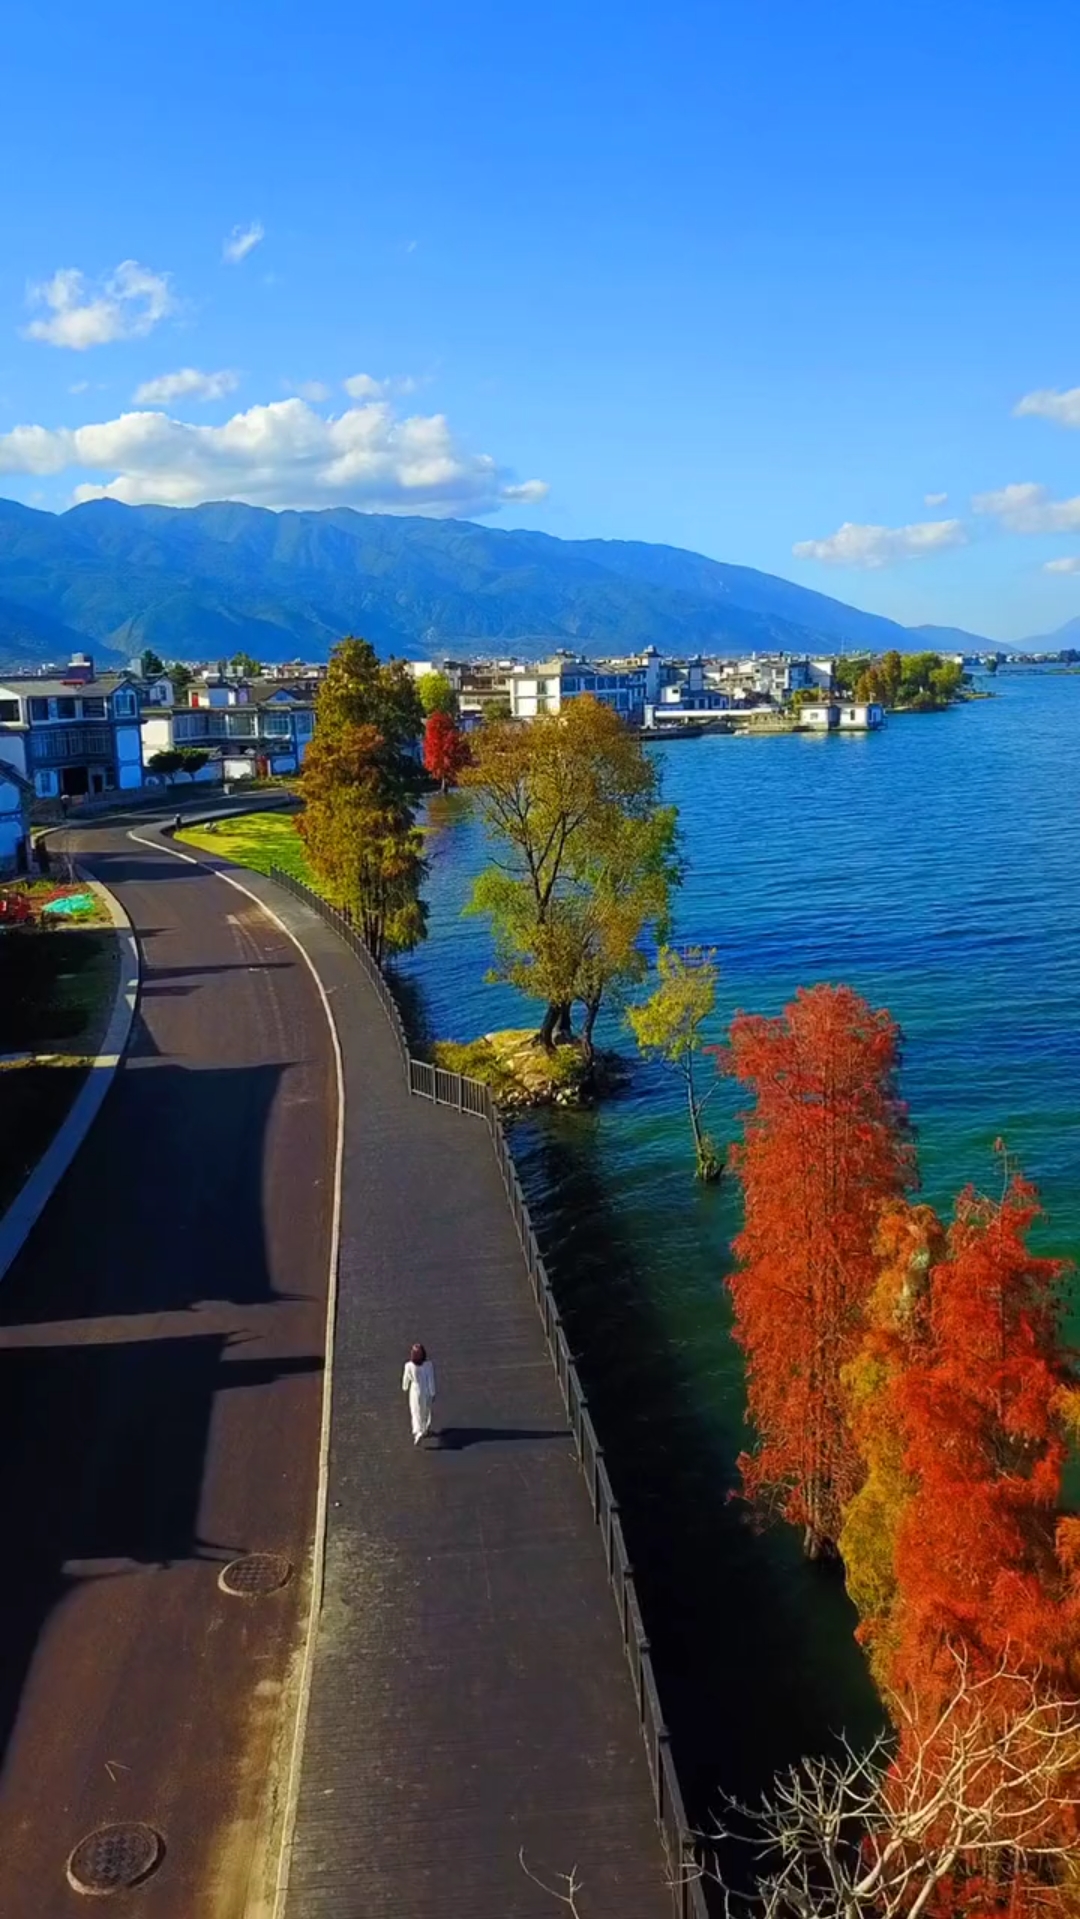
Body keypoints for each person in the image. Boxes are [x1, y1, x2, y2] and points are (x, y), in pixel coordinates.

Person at [402, 1343, 436, 1446]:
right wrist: (433, 1392)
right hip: (426, 1390)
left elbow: (406, 1380)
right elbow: (431, 1380)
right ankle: (425, 1429)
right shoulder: (428, 1365)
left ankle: (418, 1432)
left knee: (415, 1412)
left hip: (415, 1390)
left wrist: (405, 1387)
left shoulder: (408, 1366)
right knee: (426, 1410)